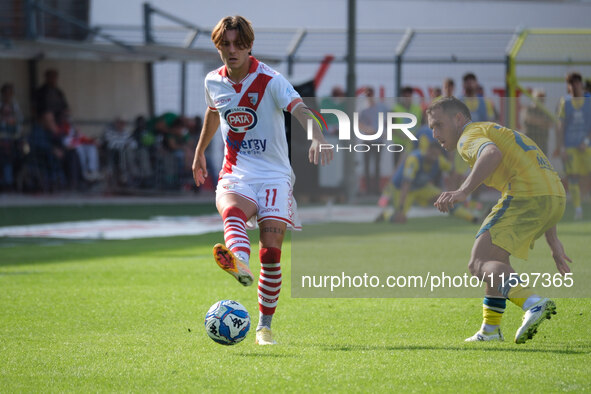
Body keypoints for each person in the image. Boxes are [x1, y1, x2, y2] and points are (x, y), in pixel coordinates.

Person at [192, 15, 332, 346]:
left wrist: (316, 137)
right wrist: (199, 152)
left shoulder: (270, 79)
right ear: (218, 47)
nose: (231, 50)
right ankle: (239, 261)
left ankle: (264, 327)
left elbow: (300, 110)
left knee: (271, 254)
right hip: (236, 172)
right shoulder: (213, 81)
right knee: (232, 211)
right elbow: (213, 113)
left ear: (249, 45)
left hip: (274, 175)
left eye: (238, 44)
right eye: (225, 44)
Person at [427, 97, 571, 344]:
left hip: (526, 195)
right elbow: (540, 175)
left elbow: (491, 154)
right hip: (554, 196)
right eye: (432, 127)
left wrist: (462, 191)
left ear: (458, 119)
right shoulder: (492, 129)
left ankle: (533, 303)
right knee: (495, 261)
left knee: (478, 263)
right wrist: (553, 239)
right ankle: (490, 330)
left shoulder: (467, 136)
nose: (435, 133)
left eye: (439, 125)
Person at [375, 140, 477, 224]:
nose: (433, 157)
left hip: (422, 187)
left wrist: (455, 191)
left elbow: (453, 172)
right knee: (399, 218)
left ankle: (472, 218)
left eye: (436, 155)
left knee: (446, 199)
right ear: (427, 150)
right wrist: (401, 209)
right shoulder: (414, 159)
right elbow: (406, 184)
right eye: (432, 154)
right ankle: (386, 214)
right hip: (403, 189)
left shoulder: (439, 160)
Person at [555, 72, 591, 220]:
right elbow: (560, 126)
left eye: (575, 83)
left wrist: (587, 141)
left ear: (580, 84)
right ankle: (578, 210)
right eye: (570, 84)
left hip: (586, 146)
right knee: (573, 178)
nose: (573, 86)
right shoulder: (565, 102)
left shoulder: (589, 101)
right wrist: (561, 147)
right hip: (570, 147)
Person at [359, 86, 389, 194]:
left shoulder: (381, 107)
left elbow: (388, 119)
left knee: (377, 165)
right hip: (367, 139)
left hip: (379, 140)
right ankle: (367, 189)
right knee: (367, 165)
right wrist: (367, 129)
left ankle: (376, 189)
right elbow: (359, 123)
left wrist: (386, 130)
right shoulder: (363, 109)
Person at [0, 83, 23, 190]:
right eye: (6, 93)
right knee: (6, 154)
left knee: (23, 152)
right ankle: (7, 182)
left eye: (10, 93)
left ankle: (16, 181)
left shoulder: (15, 106)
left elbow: (19, 125)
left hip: (14, 140)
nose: (8, 95)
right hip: (2, 141)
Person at [521, 89, 553, 155]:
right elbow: (529, 119)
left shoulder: (545, 112)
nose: (541, 101)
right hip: (529, 144)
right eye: (539, 99)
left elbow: (550, 124)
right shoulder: (529, 109)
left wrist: (538, 122)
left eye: (542, 99)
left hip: (542, 145)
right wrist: (543, 122)